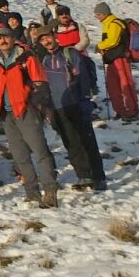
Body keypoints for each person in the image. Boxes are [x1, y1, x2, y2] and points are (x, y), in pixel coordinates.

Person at [0, 28, 58, 208]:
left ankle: (50, 191)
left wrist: (34, 105)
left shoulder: (26, 58)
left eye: (6, 37)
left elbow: (41, 84)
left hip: (26, 111)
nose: (3, 41)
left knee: (40, 151)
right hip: (7, 114)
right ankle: (32, 192)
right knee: (20, 156)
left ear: (13, 39)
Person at [36, 25, 107, 192]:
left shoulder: (69, 53)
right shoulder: (43, 59)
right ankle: (83, 175)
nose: (46, 41)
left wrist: (85, 99)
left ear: (54, 35)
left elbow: (83, 78)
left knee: (87, 141)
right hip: (57, 107)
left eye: (48, 37)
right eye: (42, 39)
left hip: (76, 103)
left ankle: (98, 177)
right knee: (70, 143)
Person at [94, 2, 139, 121]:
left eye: (98, 14)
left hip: (120, 59)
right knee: (113, 86)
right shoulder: (108, 23)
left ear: (104, 13)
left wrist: (99, 46)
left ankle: (132, 112)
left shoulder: (115, 24)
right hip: (112, 59)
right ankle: (120, 111)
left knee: (126, 85)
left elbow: (112, 41)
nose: (96, 17)